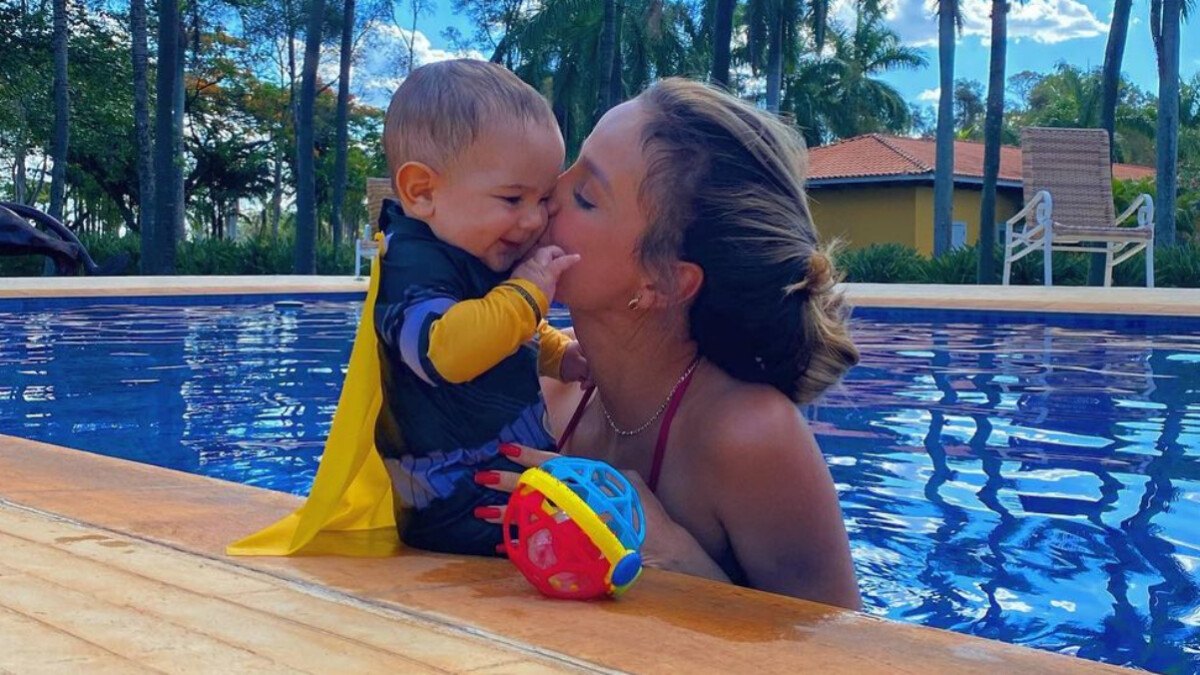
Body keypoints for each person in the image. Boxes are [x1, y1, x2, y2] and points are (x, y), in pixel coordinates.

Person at [474, 78, 863, 610]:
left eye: (585, 196)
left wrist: (674, 557)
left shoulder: (748, 437)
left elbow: (842, 654)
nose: (548, 190)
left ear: (661, 282)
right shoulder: (547, 385)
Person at [373, 59, 587, 556]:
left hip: (496, 486)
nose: (535, 221)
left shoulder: (472, 246)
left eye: (544, 199)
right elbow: (446, 351)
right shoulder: (411, 263)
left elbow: (504, 341)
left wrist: (559, 354)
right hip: (454, 502)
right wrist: (528, 291)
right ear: (422, 192)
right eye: (513, 198)